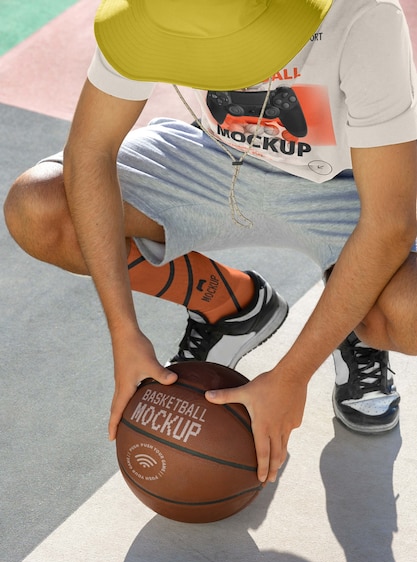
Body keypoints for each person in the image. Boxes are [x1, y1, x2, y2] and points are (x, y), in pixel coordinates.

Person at [4, 0, 417, 484]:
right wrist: (123, 329)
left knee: (409, 312)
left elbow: (391, 219)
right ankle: (231, 305)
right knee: (40, 210)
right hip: (214, 158)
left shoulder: (363, 15)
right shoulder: (148, 13)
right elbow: (90, 151)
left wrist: (290, 377)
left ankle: (354, 322)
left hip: (349, 186)